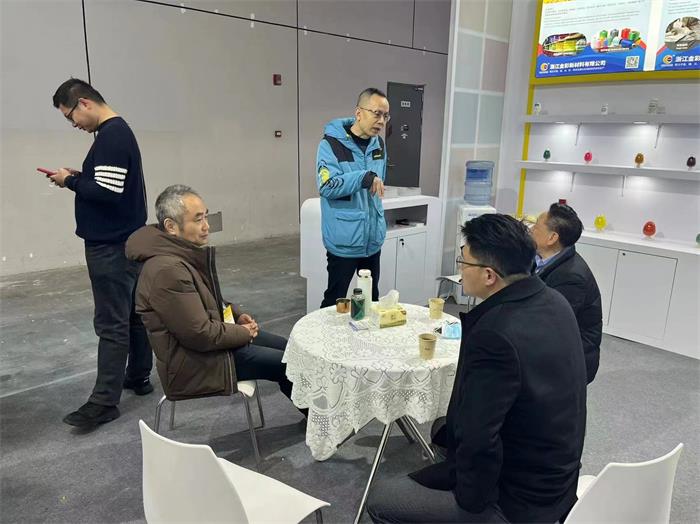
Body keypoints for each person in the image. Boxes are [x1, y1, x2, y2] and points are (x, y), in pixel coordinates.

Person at [367, 214, 587, 524]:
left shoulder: (495, 335)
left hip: (519, 500)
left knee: (382, 499)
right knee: (443, 427)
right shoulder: (554, 301)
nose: (460, 269)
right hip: (559, 479)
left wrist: (470, 501)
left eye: (463, 261)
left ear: (488, 275)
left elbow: (480, 438)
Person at [126, 185, 302, 414]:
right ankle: (321, 427)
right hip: (195, 362)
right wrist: (243, 333)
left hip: (210, 348)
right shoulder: (167, 270)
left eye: (206, 216)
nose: (206, 226)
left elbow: (206, 300)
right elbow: (199, 334)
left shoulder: (180, 254)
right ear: (171, 226)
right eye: (198, 219)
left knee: (291, 350)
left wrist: (236, 315)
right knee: (292, 364)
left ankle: (318, 422)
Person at [50, 78, 152, 428]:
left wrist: (69, 181)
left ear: (84, 103)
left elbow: (107, 192)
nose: (74, 124)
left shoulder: (111, 136)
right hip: (127, 240)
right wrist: (83, 176)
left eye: (70, 116)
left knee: (111, 323)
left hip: (110, 246)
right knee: (132, 315)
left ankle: (104, 401)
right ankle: (138, 375)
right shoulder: (118, 133)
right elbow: (111, 183)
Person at [317, 87, 389, 308]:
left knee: (371, 302)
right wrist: (362, 178)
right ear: (359, 113)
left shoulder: (379, 145)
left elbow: (378, 184)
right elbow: (326, 186)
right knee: (334, 304)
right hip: (345, 241)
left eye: (385, 116)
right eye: (377, 113)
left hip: (371, 241)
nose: (381, 121)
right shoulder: (331, 144)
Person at [531, 202, 603, 383]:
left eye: (536, 227)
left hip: (569, 363)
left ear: (552, 238)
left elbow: (548, 326)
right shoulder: (541, 259)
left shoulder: (571, 278)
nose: (530, 230)